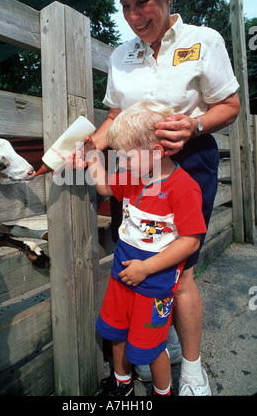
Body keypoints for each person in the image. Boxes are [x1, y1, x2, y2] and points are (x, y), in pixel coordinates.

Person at [75, 0, 240, 396]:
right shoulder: (120, 56)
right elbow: (113, 117)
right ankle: (133, 364)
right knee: (134, 253)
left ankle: (190, 370)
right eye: (124, 4)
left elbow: (231, 105)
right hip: (136, 166)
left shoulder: (205, 41)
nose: (132, 15)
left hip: (188, 164)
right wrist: (90, 146)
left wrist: (195, 124)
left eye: (142, 1)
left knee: (179, 271)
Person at [83, 101, 207, 396]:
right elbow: (103, 188)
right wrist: (92, 158)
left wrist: (146, 268)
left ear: (156, 152)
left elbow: (190, 241)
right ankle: (121, 385)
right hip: (122, 274)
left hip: (154, 282)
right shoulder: (132, 177)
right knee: (116, 333)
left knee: (152, 347)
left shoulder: (183, 188)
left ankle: (162, 392)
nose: (122, 164)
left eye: (126, 157)